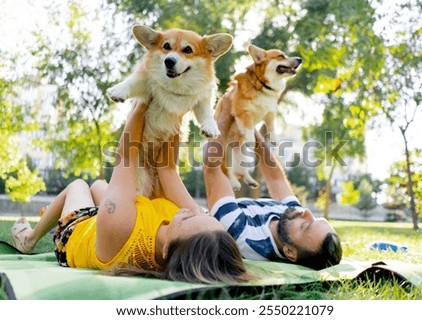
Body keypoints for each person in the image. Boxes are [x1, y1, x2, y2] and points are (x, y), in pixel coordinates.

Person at [11, 101, 251, 284]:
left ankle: (29, 239)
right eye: (206, 214)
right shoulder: (195, 227)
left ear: (166, 250)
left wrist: (143, 101)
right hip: (120, 216)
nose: (190, 210)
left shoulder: (121, 225)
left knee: (79, 186)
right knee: (98, 187)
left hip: (76, 236)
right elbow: (166, 169)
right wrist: (178, 105)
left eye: (187, 217)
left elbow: (127, 156)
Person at [203, 104, 342, 270]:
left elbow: (213, 169)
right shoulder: (292, 219)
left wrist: (227, 108)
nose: (306, 213)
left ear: (290, 252)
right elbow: (276, 178)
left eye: (306, 226)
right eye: (314, 217)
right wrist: (248, 128)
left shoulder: (243, 235)